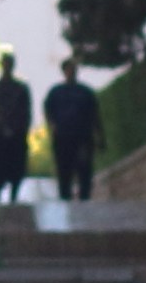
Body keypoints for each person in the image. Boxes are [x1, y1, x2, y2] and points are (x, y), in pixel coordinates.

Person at [43, 60, 106, 204]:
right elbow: (48, 111)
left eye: (73, 69)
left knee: (84, 170)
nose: (71, 72)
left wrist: (100, 137)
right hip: (63, 138)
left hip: (83, 138)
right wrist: (52, 127)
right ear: (64, 71)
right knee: (64, 170)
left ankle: (84, 199)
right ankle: (65, 200)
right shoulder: (56, 92)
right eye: (69, 69)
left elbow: (95, 116)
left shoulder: (86, 92)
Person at [0, 56, 37, 204]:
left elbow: (26, 111)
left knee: (17, 164)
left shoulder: (20, 88)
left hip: (17, 132)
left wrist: (24, 129)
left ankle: (14, 195)